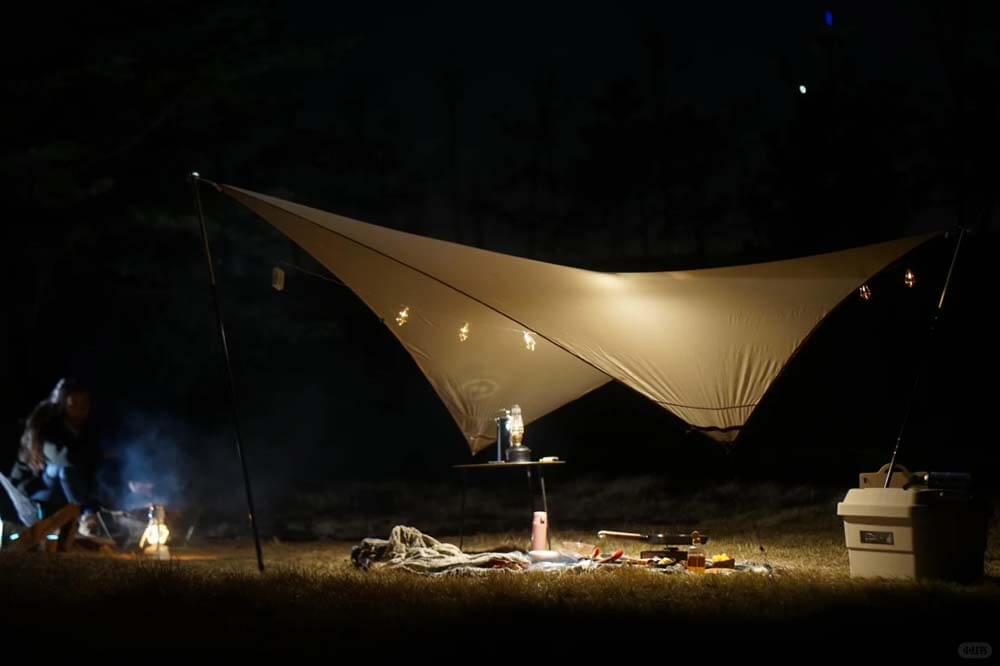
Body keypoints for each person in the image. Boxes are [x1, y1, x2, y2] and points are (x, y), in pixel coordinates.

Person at [10, 378, 108, 540]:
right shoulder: (47, 427)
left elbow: (93, 465)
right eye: (74, 403)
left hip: (61, 492)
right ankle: (84, 517)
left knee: (89, 473)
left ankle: (87, 516)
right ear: (63, 403)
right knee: (63, 469)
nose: (81, 408)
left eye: (84, 403)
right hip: (33, 493)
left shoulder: (86, 430)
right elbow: (66, 458)